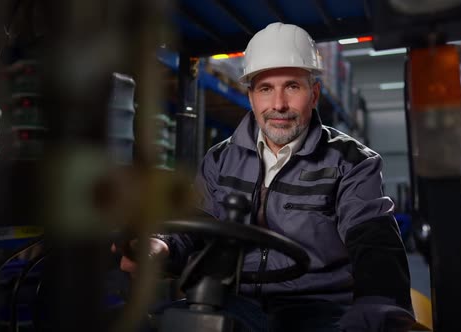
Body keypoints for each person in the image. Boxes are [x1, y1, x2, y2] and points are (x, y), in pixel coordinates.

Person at [114, 22, 415, 331]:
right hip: (235, 302)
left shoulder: (352, 162)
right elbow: (195, 227)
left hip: (316, 309)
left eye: (292, 87)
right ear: (251, 96)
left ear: (314, 94)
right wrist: (162, 246)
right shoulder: (220, 158)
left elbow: (374, 245)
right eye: (266, 88)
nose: (278, 104)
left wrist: (376, 309)